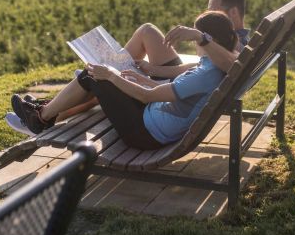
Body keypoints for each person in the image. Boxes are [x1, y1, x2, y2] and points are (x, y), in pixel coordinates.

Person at [12, 11, 239, 149]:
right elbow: (165, 91)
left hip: (143, 132)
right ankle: (44, 111)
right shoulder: (215, 66)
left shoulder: (205, 74)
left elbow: (147, 96)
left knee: (94, 74)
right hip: (154, 118)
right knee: (103, 75)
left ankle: (40, 118)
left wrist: (112, 75)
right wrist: (144, 78)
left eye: (194, 39)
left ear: (210, 40)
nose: (193, 43)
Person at [128, 0, 248, 80]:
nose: (208, 15)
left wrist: (200, 36)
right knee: (147, 31)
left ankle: (114, 75)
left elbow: (225, 65)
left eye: (214, 11)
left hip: (183, 89)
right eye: (208, 11)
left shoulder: (232, 44)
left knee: (147, 31)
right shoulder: (237, 43)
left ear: (233, 12)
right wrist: (154, 70)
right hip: (187, 81)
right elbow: (200, 65)